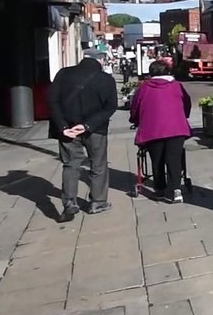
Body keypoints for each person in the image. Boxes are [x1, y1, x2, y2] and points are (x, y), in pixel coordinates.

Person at [49, 49, 118, 221]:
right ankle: (98, 202)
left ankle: (70, 203)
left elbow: (52, 100)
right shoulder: (106, 79)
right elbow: (110, 107)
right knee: (98, 164)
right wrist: (87, 125)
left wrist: (63, 126)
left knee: (70, 165)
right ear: (100, 60)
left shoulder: (63, 74)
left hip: (68, 129)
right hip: (95, 130)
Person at [130, 60, 193, 203]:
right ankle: (176, 190)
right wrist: (183, 115)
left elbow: (135, 107)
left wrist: (135, 120)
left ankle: (160, 189)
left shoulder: (144, 88)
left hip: (153, 129)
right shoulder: (177, 86)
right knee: (174, 159)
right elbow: (187, 102)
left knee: (157, 159)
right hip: (176, 128)